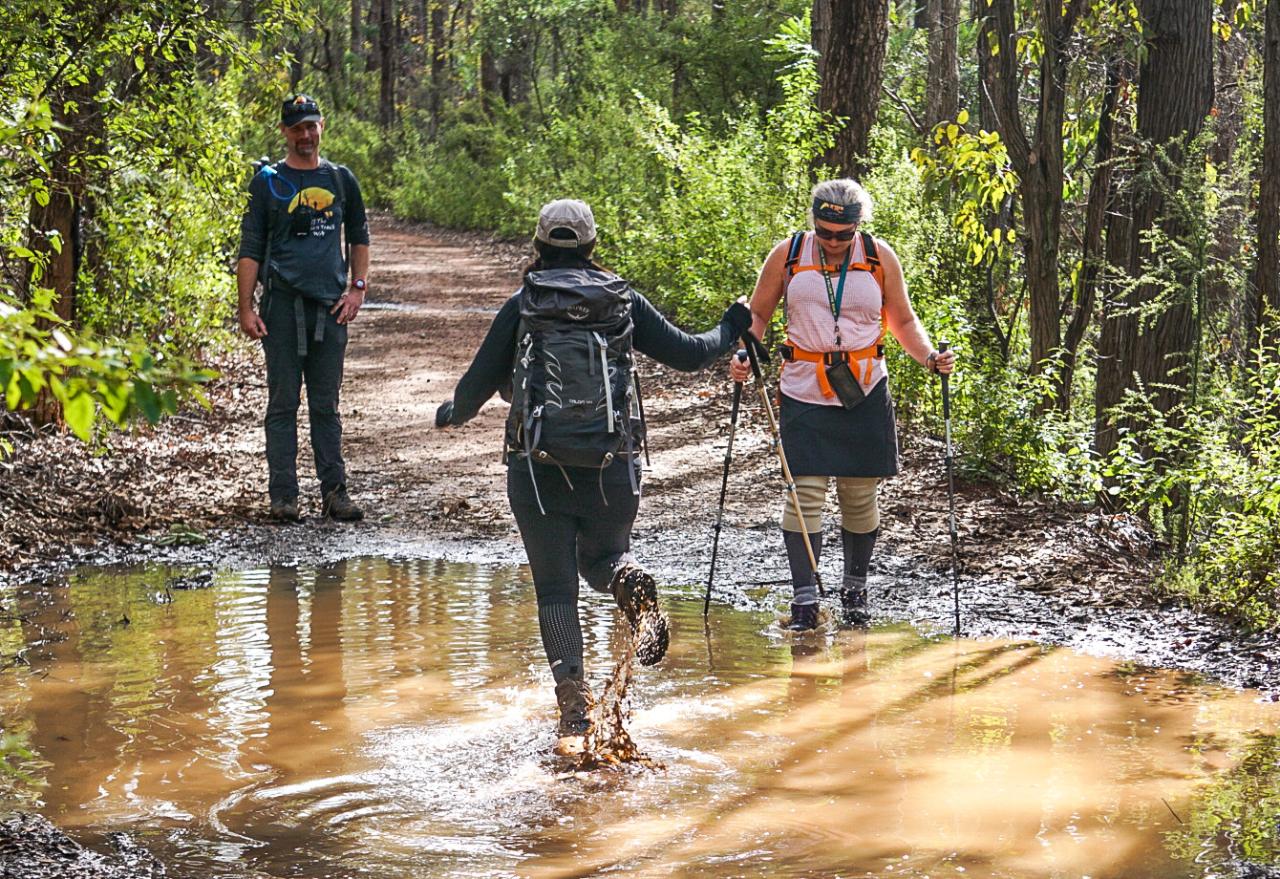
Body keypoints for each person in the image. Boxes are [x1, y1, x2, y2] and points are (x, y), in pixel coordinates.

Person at [436, 199, 751, 737]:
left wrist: (450, 414)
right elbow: (690, 354)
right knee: (603, 559)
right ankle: (626, 579)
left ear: (539, 244)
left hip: (537, 469)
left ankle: (574, 708)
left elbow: (474, 388)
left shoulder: (524, 304)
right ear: (592, 245)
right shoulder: (622, 301)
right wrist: (731, 324)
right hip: (613, 463)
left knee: (556, 591)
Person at [730, 178, 956, 630]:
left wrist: (930, 357)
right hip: (803, 389)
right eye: (825, 233)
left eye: (842, 235)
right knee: (804, 494)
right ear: (814, 222)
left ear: (857, 226)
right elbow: (757, 314)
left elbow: (903, 320)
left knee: (859, 495)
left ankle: (855, 592)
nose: (832, 243)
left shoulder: (878, 256)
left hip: (864, 389)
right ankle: (805, 601)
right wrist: (744, 353)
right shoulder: (789, 254)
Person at [236, 94, 371, 523]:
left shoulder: (341, 180)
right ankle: (283, 497)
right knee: (282, 405)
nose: (305, 135)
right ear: (284, 132)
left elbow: (360, 236)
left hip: (330, 310)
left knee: (326, 406)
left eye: (311, 126)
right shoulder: (268, 182)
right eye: (297, 128)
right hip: (280, 308)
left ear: (322, 126)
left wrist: (357, 289)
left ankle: (335, 493)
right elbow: (250, 247)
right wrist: (245, 307)